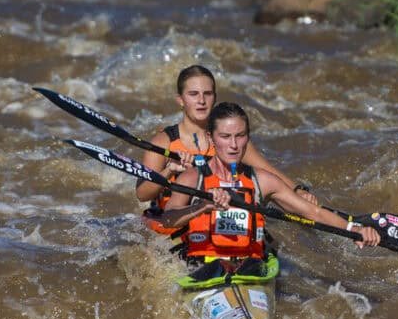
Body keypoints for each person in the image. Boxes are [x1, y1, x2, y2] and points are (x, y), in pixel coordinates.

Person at [159, 102, 379, 269]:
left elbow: (312, 213)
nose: (234, 145)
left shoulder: (263, 181)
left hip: (249, 268)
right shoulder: (192, 178)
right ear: (211, 137)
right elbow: (168, 219)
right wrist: (203, 206)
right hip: (203, 267)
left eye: (240, 136)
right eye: (225, 137)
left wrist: (355, 230)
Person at [135, 65, 317, 235]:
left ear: (214, 97)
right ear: (180, 100)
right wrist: (169, 169)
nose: (201, 101)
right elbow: (142, 194)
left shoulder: (231, 141)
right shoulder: (164, 142)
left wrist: (298, 190)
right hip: (174, 221)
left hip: (217, 221)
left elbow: (268, 174)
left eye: (207, 94)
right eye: (193, 94)